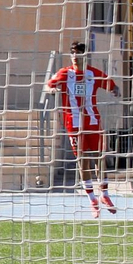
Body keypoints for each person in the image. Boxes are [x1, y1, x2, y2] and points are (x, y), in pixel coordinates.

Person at [45, 42, 118, 217]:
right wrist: (52, 89)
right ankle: (92, 198)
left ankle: (105, 194)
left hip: (93, 120)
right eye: (73, 53)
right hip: (74, 123)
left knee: (100, 156)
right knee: (83, 158)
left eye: (79, 53)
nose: (75, 56)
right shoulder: (65, 73)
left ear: (85, 56)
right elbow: (47, 85)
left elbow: (111, 84)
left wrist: (115, 89)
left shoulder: (93, 73)